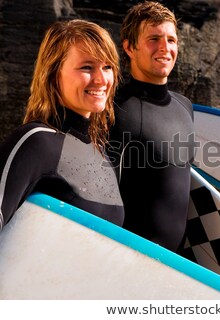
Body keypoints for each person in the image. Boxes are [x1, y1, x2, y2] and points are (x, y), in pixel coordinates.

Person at [0, 19, 124, 231]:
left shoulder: (103, 156)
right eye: (87, 67)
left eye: (107, 67)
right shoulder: (36, 142)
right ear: (53, 74)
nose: (101, 79)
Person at [108, 1, 195, 252]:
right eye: (153, 38)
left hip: (178, 264)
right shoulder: (115, 108)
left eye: (171, 39)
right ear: (129, 47)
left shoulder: (185, 106)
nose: (165, 48)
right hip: (130, 260)